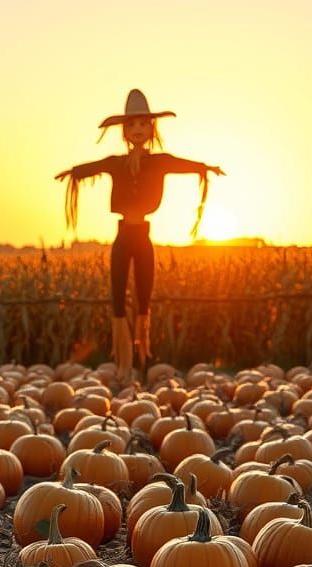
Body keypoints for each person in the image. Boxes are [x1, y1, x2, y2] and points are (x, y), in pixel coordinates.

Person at [55, 90, 224, 386]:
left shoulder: (159, 162)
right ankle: (122, 365)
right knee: (119, 301)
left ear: (151, 129)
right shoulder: (115, 163)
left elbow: (183, 163)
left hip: (143, 238)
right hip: (122, 238)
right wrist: (72, 173)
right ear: (124, 131)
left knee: (144, 301)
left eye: (143, 125)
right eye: (132, 126)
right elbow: (90, 168)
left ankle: (142, 363)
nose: (137, 131)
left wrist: (205, 168)